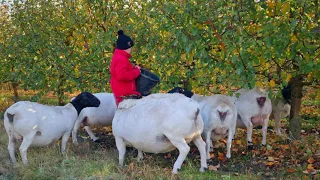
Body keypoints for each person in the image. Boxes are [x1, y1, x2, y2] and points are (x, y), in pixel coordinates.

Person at [110, 30, 142, 106]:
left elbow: (123, 71)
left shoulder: (118, 57)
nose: (131, 50)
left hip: (120, 91)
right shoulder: (122, 59)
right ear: (126, 47)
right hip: (125, 93)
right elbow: (122, 75)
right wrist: (137, 72)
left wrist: (134, 69)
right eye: (130, 48)